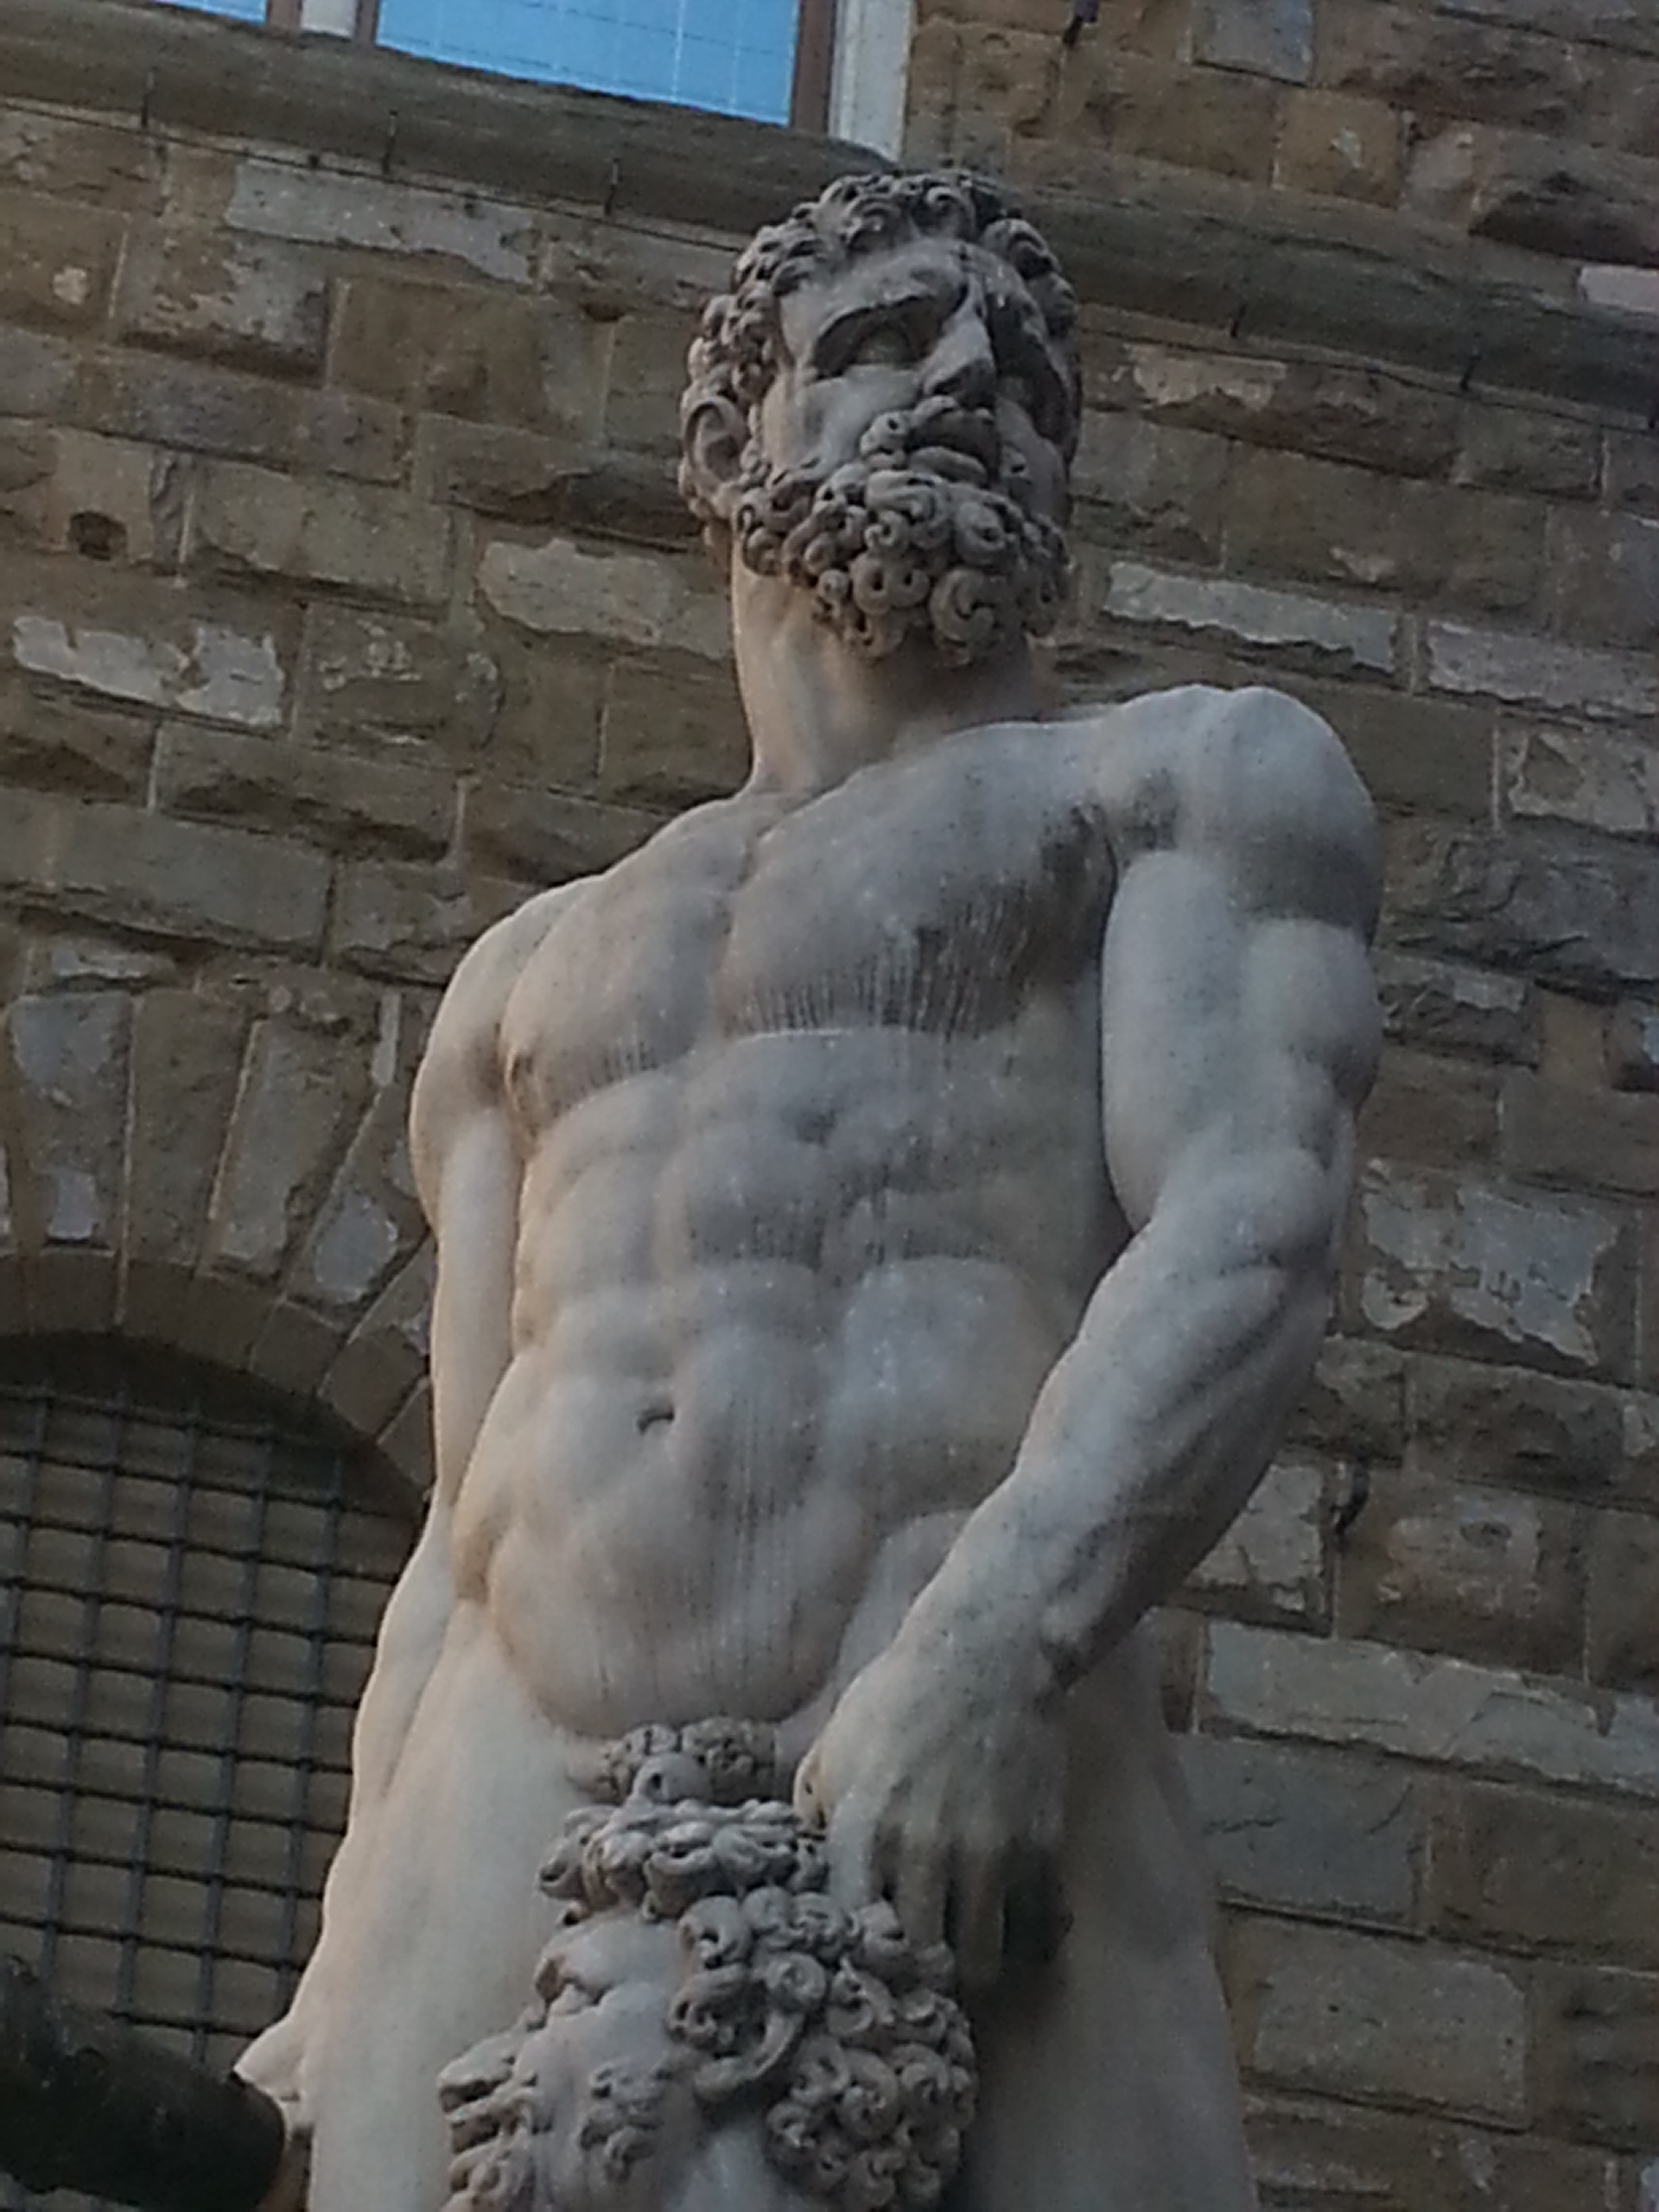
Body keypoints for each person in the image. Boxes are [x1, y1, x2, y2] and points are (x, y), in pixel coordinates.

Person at [239, 168, 1379, 2212]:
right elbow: (459, 1508)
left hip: (954, 1739)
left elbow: (1253, 1213)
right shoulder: (525, 972)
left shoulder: (1174, 785)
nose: (972, 380)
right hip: (506, 1789)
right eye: (882, 341)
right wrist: (342, 1935)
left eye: (1024, 370)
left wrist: (1000, 1642)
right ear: (726, 438)